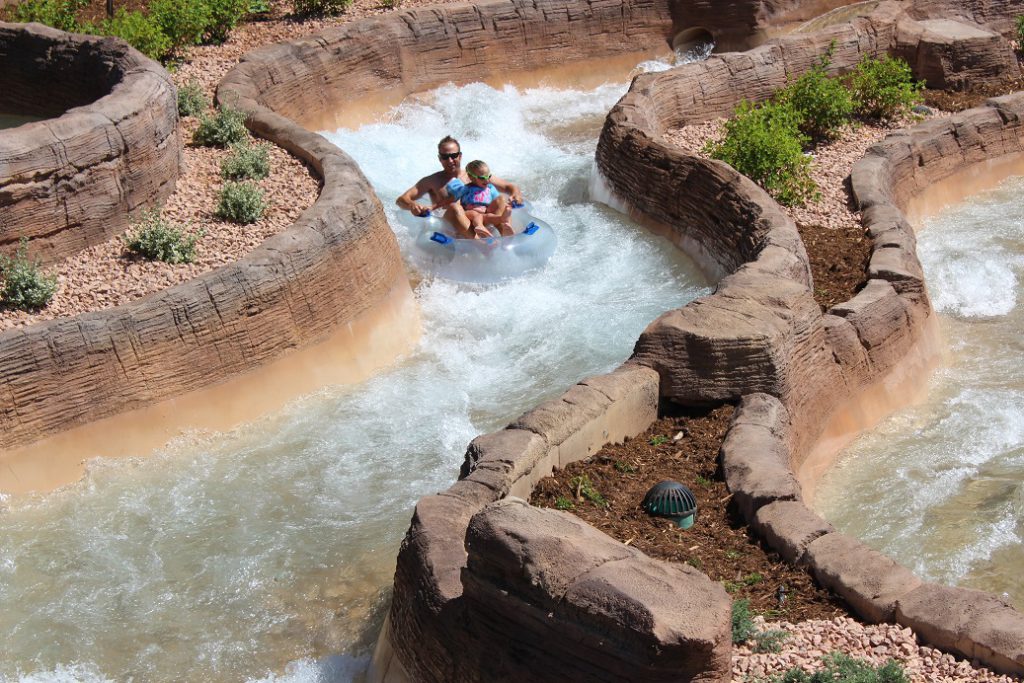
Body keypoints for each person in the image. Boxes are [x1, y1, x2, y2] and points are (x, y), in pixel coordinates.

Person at [396, 136, 523, 238]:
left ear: (460, 156)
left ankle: (505, 236)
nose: (450, 160)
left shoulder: (477, 175)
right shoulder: (432, 181)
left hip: (483, 219)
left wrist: (516, 195)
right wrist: (413, 205)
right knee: (455, 206)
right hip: (454, 226)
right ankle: (481, 245)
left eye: (453, 156)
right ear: (440, 158)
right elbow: (402, 200)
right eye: (445, 157)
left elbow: (509, 187)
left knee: (500, 199)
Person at [437, 160, 514, 239]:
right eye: (482, 178)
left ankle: (504, 225)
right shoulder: (466, 188)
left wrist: (509, 202)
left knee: (490, 215)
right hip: (469, 215)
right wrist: (435, 206)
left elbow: (499, 202)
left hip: (484, 214)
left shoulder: (490, 188)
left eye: (489, 176)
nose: (487, 180)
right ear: (471, 177)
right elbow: (454, 201)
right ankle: (480, 227)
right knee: (475, 214)